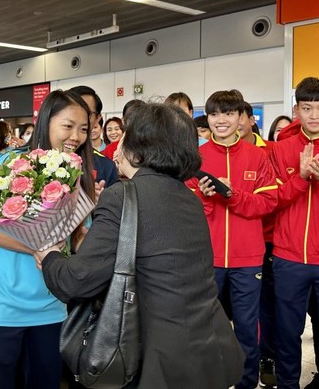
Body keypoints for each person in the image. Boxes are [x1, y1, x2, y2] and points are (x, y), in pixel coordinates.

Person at [36, 102, 245, 388]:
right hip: (206, 348)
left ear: (138, 147)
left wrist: (50, 256)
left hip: (154, 360)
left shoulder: (122, 196)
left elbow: (75, 281)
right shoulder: (190, 199)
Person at [0, 89, 96, 389]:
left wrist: (86, 241)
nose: (76, 136)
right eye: (68, 126)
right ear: (45, 121)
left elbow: (76, 242)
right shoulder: (12, 165)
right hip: (0, 304)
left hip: (50, 304)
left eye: (83, 129)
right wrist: (39, 247)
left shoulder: (79, 174)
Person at [191, 90, 278, 389]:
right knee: (205, 328)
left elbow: (268, 204)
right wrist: (204, 196)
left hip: (248, 258)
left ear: (241, 117)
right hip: (207, 259)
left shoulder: (258, 156)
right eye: (214, 114)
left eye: (228, 113)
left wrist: (231, 196)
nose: (221, 120)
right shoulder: (196, 157)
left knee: (245, 328)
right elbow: (186, 209)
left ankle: (246, 382)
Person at [269, 77, 319, 389]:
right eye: (307, 108)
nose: (314, 115)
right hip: (288, 257)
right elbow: (271, 201)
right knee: (287, 334)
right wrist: (300, 178)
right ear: (296, 109)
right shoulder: (280, 150)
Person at [68, 85, 118, 188]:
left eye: (87, 112)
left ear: (97, 119)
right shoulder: (35, 161)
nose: (79, 117)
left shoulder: (106, 167)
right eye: (72, 111)